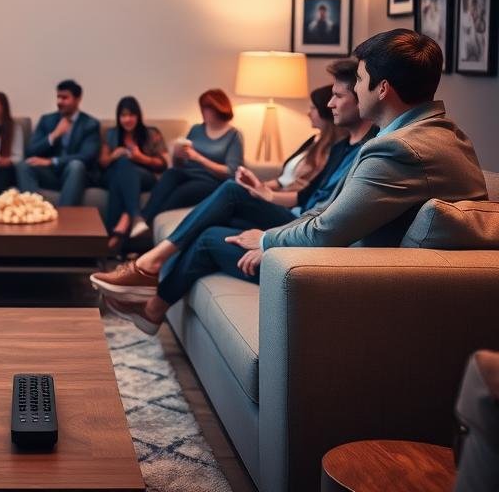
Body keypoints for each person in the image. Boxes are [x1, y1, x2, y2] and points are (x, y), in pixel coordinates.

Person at [93, 30, 487, 335]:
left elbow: (327, 230)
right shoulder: (446, 134)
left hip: (347, 274)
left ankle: (150, 290)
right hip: (369, 263)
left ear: (382, 89)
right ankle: (150, 285)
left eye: (360, 79)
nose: (354, 89)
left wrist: (266, 240)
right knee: (223, 212)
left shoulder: (397, 150)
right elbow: (330, 210)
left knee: (213, 237)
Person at [129, 89, 243, 241]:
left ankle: (143, 232)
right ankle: (141, 221)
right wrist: (177, 155)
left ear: (218, 109)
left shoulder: (233, 135)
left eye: (206, 108)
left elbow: (231, 171)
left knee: (181, 193)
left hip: (210, 181)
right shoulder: (196, 129)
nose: (203, 112)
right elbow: (180, 164)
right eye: (202, 108)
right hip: (187, 173)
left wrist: (198, 158)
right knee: (169, 175)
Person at [99, 96, 169, 252]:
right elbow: (102, 162)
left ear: (138, 116)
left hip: (145, 177)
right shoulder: (111, 134)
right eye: (123, 115)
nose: (127, 119)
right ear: (118, 117)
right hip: (115, 176)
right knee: (119, 172)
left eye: (131, 115)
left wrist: (141, 158)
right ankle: (129, 226)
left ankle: (112, 240)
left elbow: (163, 164)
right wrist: (113, 156)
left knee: (123, 168)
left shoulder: (151, 133)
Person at [15, 79, 100, 206]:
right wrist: (53, 135)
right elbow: (30, 151)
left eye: (65, 98)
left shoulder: (90, 124)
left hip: (76, 175)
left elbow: (87, 156)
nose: (59, 102)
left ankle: (65, 216)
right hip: (51, 174)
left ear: (78, 99)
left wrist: (52, 161)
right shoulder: (47, 120)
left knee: (76, 165)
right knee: (24, 165)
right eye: (58, 97)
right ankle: (34, 210)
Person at [266, 83, 345, 194]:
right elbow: (282, 181)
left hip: (287, 199)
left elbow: (304, 191)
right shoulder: (314, 139)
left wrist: (269, 194)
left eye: (313, 108)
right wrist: (260, 187)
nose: (308, 113)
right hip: (279, 193)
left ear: (325, 110)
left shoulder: (335, 149)